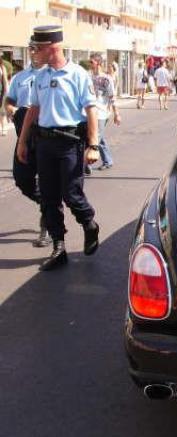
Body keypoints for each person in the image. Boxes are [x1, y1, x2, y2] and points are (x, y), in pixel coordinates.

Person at [17, 25, 100, 271]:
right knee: (49, 197)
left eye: (36, 48)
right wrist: (22, 141)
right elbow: (33, 109)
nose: (33, 53)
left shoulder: (77, 74)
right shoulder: (40, 76)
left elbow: (91, 109)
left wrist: (93, 145)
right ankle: (59, 246)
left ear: (50, 48)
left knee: (71, 194)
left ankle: (89, 224)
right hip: (44, 143)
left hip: (69, 142)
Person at [3, 37, 50, 247]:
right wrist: (11, 110)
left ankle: (47, 225)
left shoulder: (54, 75)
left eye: (36, 48)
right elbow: (9, 100)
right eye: (30, 48)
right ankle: (46, 204)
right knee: (22, 178)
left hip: (48, 134)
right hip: (25, 135)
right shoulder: (20, 77)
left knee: (49, 180)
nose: (33, 52)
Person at [89, 53, 121, 171]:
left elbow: (112, 97)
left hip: (102, 113)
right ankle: (108, 160)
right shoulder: (89, 77)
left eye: (91, 62)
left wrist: (116, 114)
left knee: (95, 138)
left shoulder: (106, 79)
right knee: (99, 138)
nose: (90, 64)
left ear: (98, 63)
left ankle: (86, 163)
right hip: (90, 112)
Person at [0, 59, 8, 136]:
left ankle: (4, 128)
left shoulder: (2, 67)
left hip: (1, 92)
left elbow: (5, 80)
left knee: (2, 111)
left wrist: (7, 92)